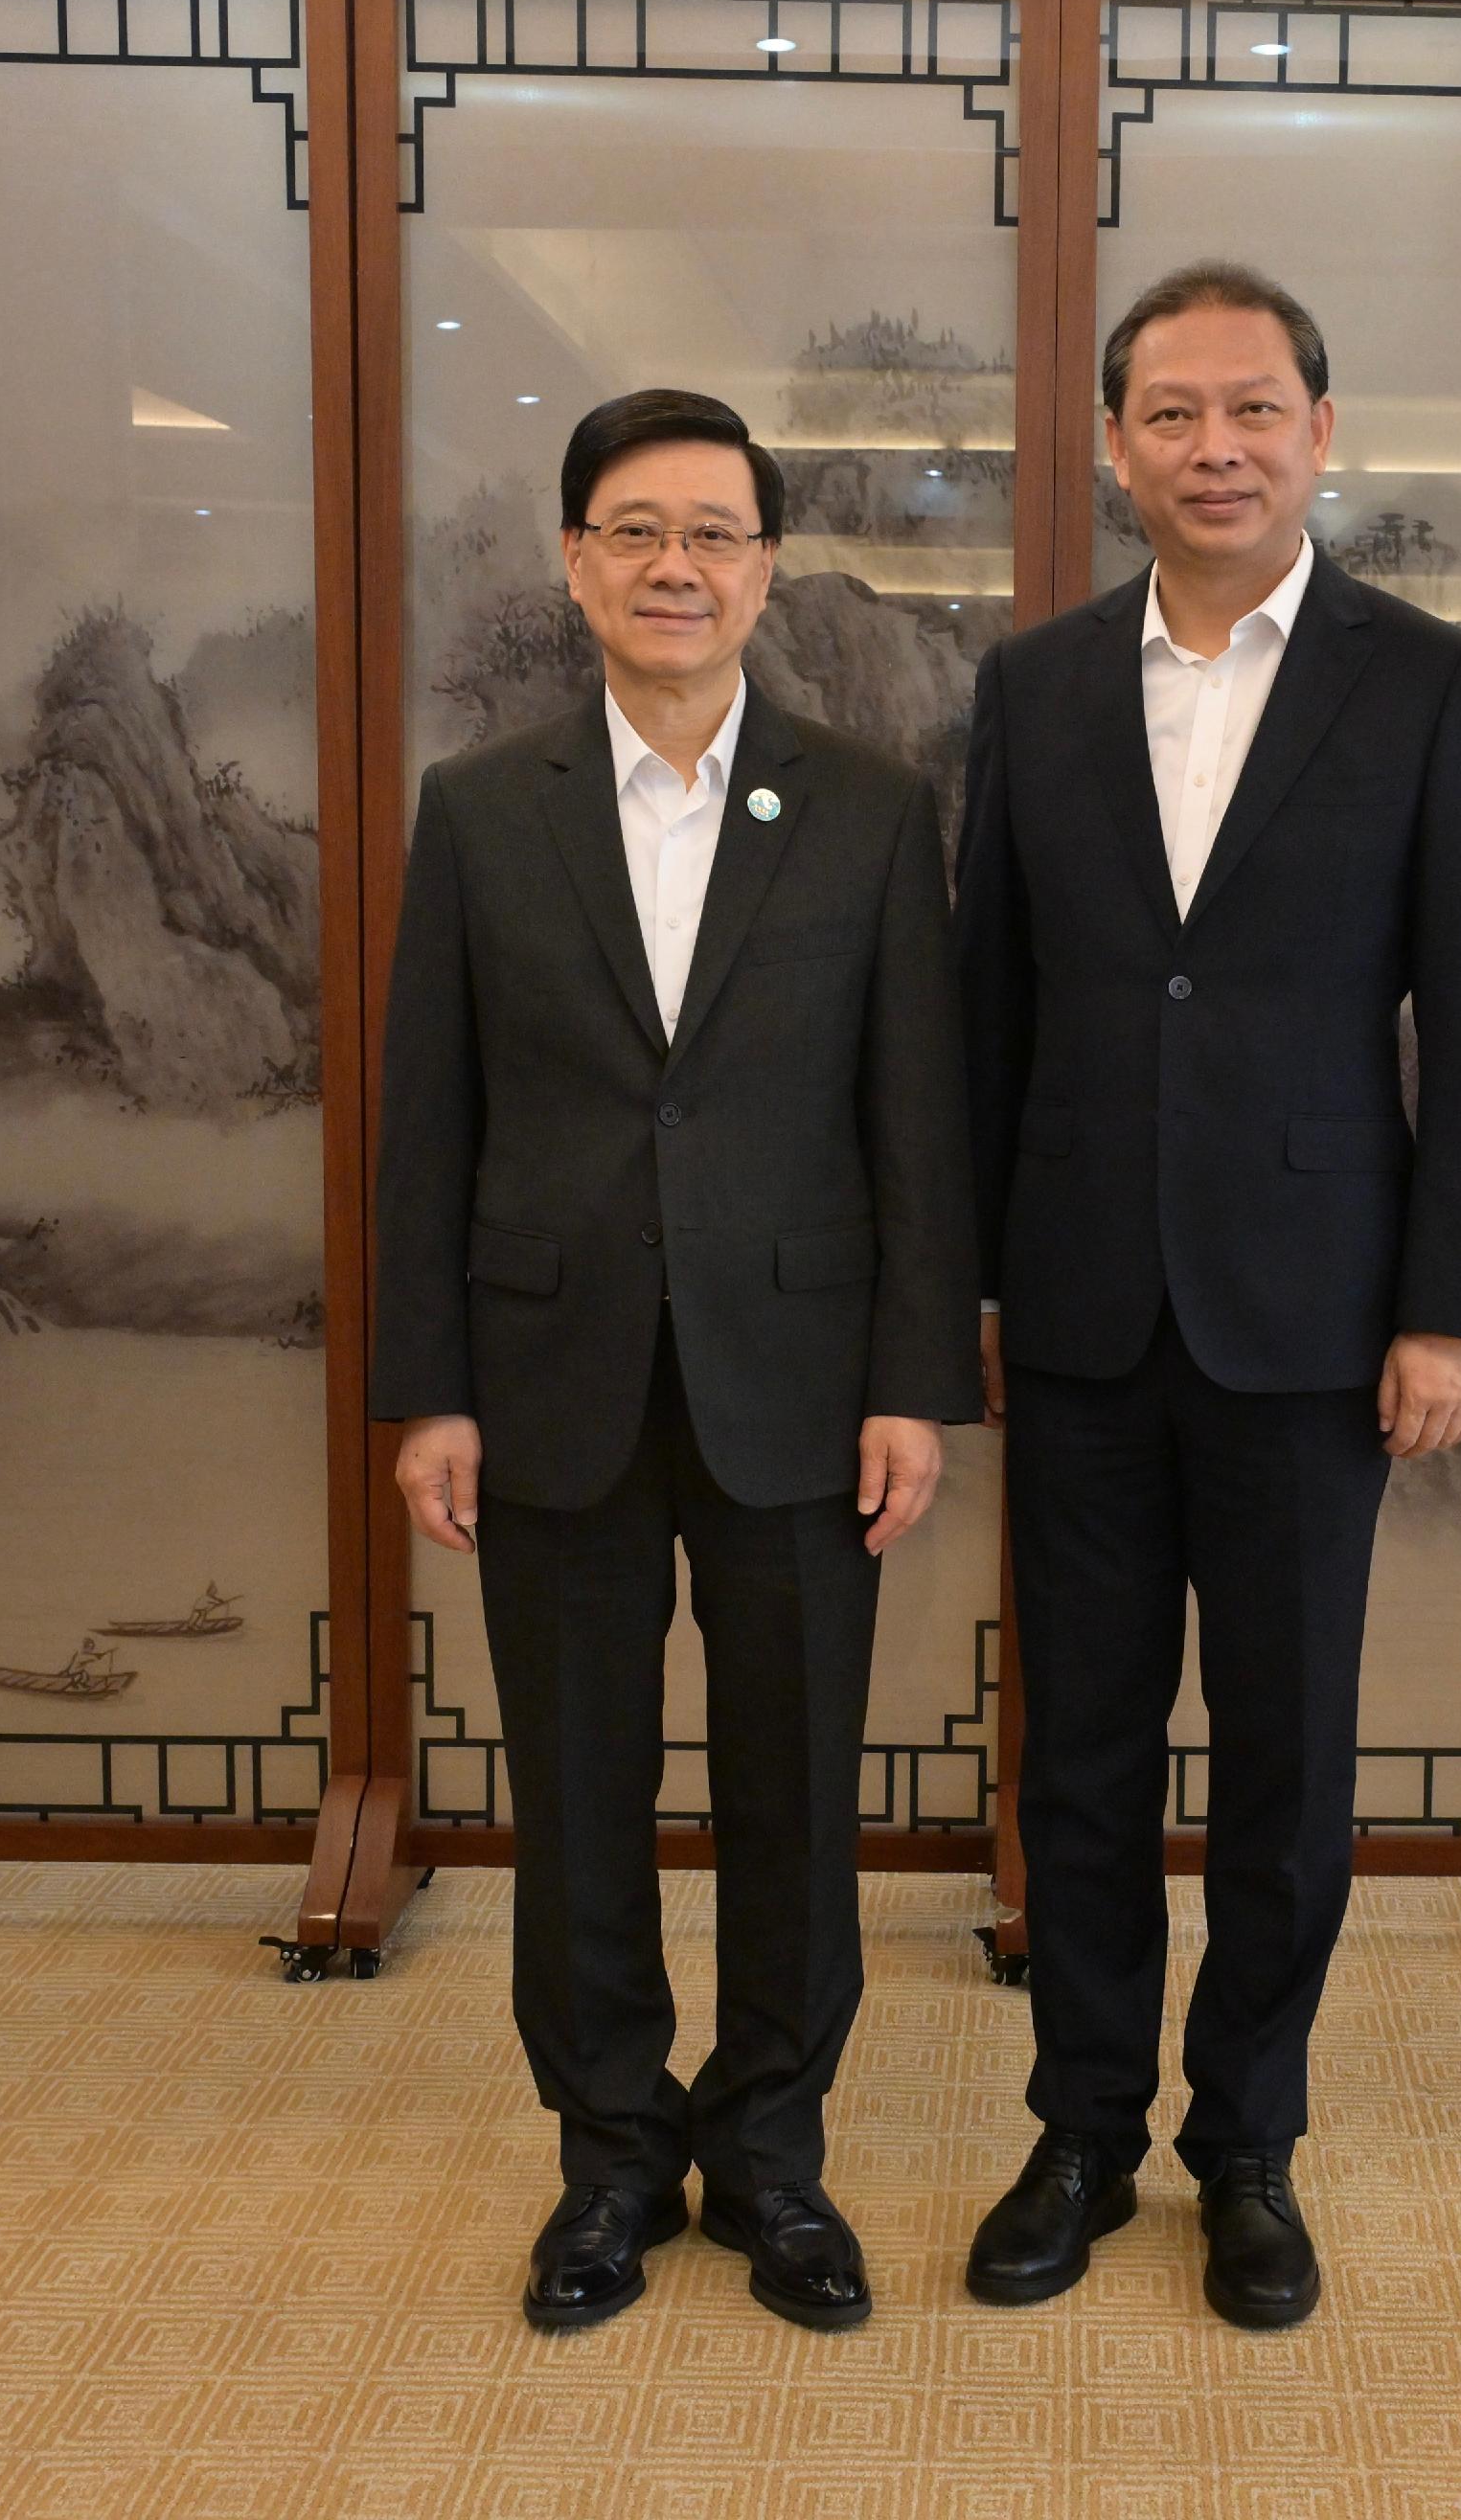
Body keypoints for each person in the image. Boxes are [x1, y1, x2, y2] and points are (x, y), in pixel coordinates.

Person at [952, 265, 1461, 2331]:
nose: (1216, 447)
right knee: (1083, 1754)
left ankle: (1247, 2147)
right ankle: (1084, 2128)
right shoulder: (1027, 689)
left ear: (1318, 431)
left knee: (1284, 1760)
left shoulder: (1423, 681)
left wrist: (1446, 1308)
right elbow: (986, 1014)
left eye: (1253, 409)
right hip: (1086, 1316)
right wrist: (973, 1296)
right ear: (1113, 445)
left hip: (1315, 1317)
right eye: (1172, 414)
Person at [371, 389, 981, 2335]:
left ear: (763, 569)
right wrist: (426, 1386)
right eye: (633, 530)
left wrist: (912, 1381)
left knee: (795, 1794)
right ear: (573, 564)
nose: (674, 566)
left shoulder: (871, 808)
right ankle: (612, 2164)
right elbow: (425, 1124)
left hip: (801, 1383)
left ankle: (774, 2160)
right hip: (549, 1380)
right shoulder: (479, 811)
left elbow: (916, 1125)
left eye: (713, 531)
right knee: (576, 1796)